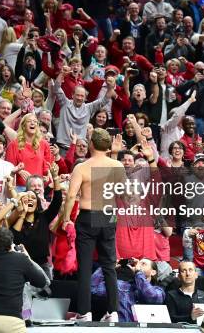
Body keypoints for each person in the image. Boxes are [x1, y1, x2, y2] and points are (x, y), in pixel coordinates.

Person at [63, 128, 125, 322]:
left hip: (88, 216)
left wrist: (66, 219)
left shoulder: (82, 167)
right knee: (109, 265)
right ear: (107, 146)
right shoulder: (117, 166)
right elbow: (121, 193)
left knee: (85, 266)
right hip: (107, 215)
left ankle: (84, 312)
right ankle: (113, 312)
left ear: (91, 144)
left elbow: (71, 195)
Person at [0, 227, 48, 333]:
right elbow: (41, 282)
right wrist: (27, 258)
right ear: (10, 243)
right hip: (12, 322)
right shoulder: (21, 259)